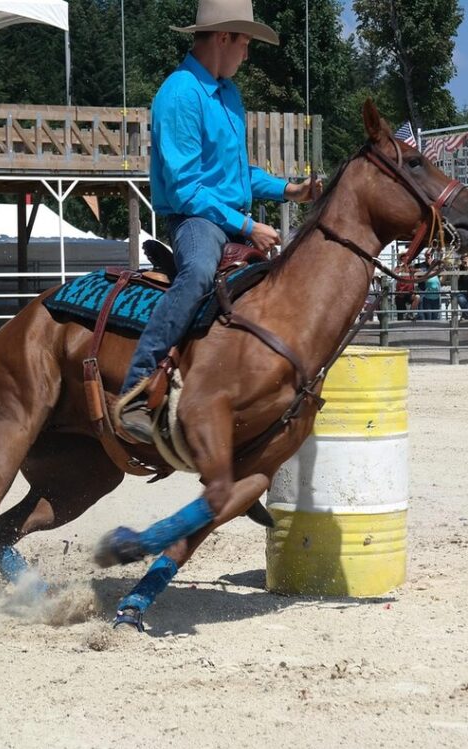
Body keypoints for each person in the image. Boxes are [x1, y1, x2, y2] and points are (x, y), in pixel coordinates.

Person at [118, 0, 319, 443]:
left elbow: (238, 174)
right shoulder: (180, 94)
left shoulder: (228, 94)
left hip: (228, 217)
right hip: (194, 220)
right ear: (223, 38)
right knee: (197, 274)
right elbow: (186, 189)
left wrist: (290, 190)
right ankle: (138, 388)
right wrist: (248, 228)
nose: (246, 54)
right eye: (244, 43)